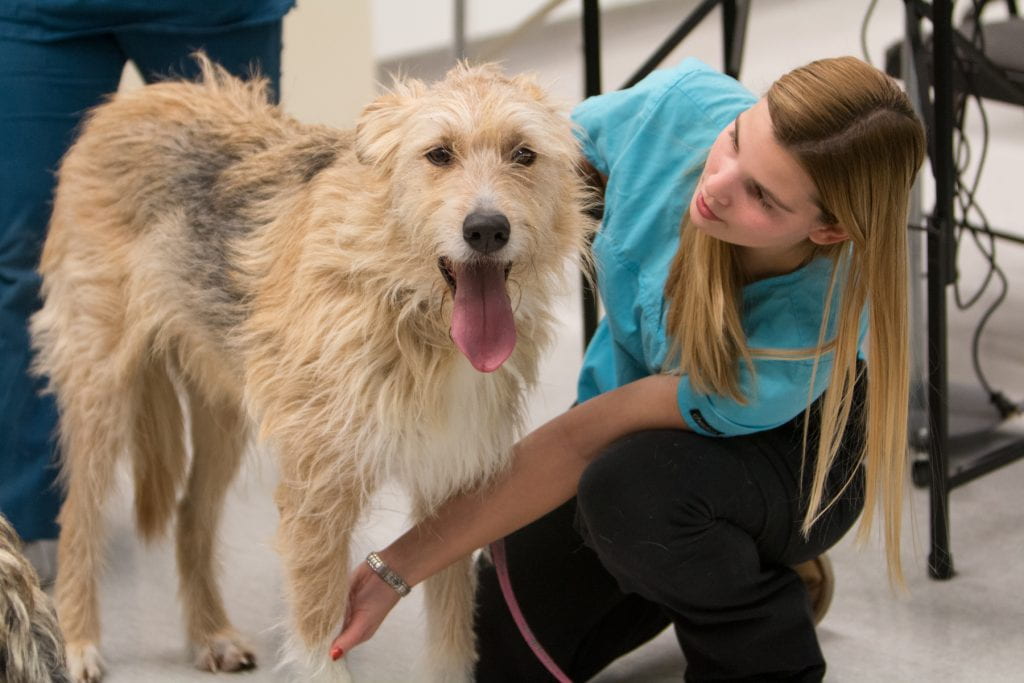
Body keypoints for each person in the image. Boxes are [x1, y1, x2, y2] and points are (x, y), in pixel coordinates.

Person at [330, 55, 926, 682]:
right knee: (498, 659)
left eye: (761, 195)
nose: (717, 184)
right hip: (637, 450)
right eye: (736, 139)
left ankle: (761, 625)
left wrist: (393, 569)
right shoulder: (675, 110)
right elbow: (526, 156)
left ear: (829, 230)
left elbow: (582, 442)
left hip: (793, 465)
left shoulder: (797, 338)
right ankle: (697, 563)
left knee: (633, 496)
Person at [0, 0, 293, 580]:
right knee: (25, 259)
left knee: (240, 261)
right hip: (42, 13)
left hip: (213, 13)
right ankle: (27, 525)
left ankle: (213, 525)